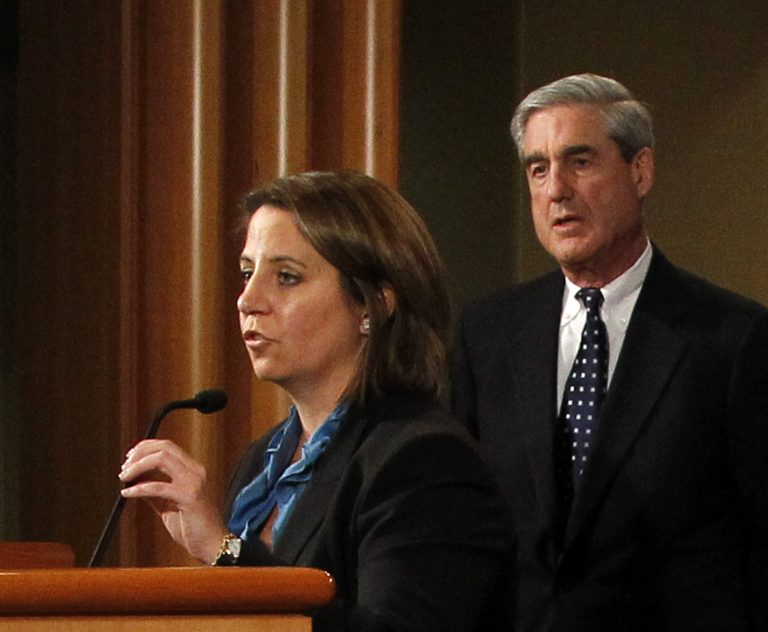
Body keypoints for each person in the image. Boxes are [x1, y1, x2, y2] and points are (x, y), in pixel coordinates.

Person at [120, 170, 512, 631]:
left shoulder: (423, 460)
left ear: (373, 305)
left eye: (286, 277)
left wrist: (223, 552)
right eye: (247, 273)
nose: (248, 300)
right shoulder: (262, 463)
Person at [452, 73, 768, 631]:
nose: (556, 190)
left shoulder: (732, 339)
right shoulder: (486, 334)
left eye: (580, 162)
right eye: (538, 168)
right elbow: (465, 529)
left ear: (640, 171)